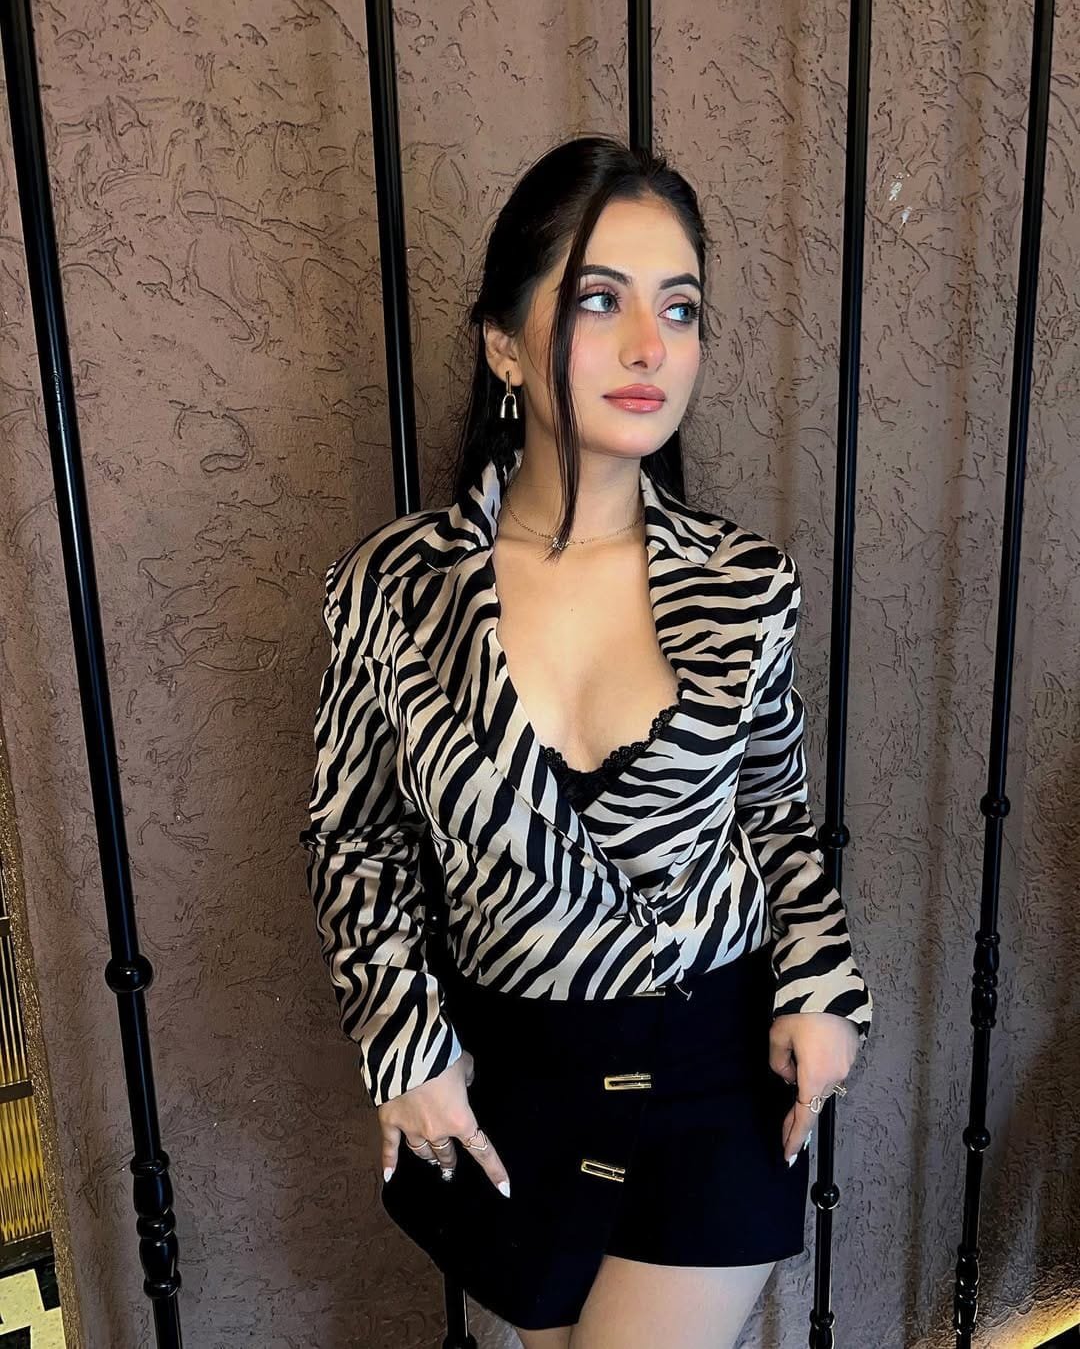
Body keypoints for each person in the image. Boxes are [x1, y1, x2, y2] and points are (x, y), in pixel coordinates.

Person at [299, 134, 874, 1349]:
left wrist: (821, 987)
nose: (651, 345)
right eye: (600, 301)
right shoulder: (393, 589)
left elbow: (776, 816)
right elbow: (357, 841)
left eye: (681, 308)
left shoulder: (746, 586)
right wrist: (403, 1042)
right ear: (504, 345)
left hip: (710, 1066)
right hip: (512, 1084)